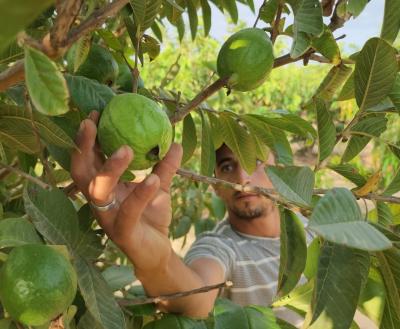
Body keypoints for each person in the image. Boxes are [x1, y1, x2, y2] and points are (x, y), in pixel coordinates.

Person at [71, 112, 306, 327]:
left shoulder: (314, 231)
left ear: (281, 170)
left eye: (254, 162)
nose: (242, 178)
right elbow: (195, 298)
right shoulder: (219, 247)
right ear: (214, 186)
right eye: (227, 166)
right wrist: (156, 263)